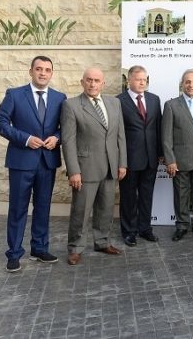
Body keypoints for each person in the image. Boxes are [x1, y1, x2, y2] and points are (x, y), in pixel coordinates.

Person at [0, 56, 66, 273]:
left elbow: (66, 127)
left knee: (43, 207)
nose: (43, 73)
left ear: (51, 73)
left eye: (47, 70)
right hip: (21, 161)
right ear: (31, 71)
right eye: (39, 69)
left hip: (47, 161)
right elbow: (0, 123)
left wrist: (57, 138)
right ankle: (14, 253)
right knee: (18, 208)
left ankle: (40, 249)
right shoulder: (15, 94)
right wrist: (25, 139)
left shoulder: (60, 98)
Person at [61, 67, 127, 265]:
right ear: (82, 82)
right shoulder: (71, 105)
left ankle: (102, 242)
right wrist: (74, 171)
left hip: (110, 167)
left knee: (106, 209)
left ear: (103, 83)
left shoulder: (114, 103)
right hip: (86, 168)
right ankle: (75, 248)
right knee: (81, 211)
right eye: (89, 80)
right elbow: (68, 141)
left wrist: (122, 163)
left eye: (97, 80)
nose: (92, 84)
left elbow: (120, 136)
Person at [162, 69, 193, 241]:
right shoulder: (171, 105)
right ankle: (182, 226)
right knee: (181, 195)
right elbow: (166, 136)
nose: (191, 85)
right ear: (182, 84)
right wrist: (170, 160)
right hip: (180, 160)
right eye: (187, 82)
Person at [117, 65, 162, 247]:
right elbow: (117, 133)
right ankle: (129, 231)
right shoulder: (118, 101)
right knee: (128, 197)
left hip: (151, 158)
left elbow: (158, 127)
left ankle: (145, 229)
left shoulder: (154, 99)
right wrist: (120, 160)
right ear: (129, 80)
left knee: (146, 196)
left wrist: (160, 153)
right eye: (138, 79)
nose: (142, 82)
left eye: (145, 79)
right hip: (129, 159)